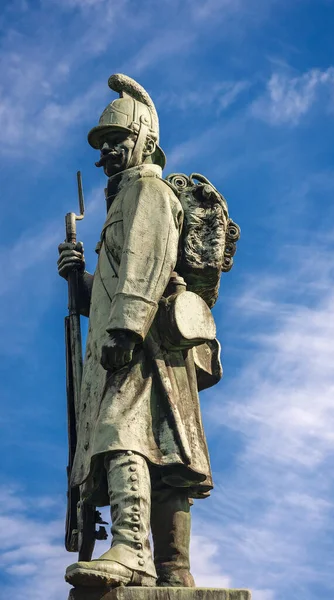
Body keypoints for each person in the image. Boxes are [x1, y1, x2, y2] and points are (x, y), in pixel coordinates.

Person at [58, 74, 218, 589]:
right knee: (167, 453)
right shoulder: (122, 199)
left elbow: (148, 264)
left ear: (145, 141)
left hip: (142, 345)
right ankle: (175, 569)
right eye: (102, 146)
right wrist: (78, 280)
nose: (106, 154)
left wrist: (126, 328)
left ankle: (131, 546)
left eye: (116, 141)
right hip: (144, 344)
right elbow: (116, 286)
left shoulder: (145, 190)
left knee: (120, 432)